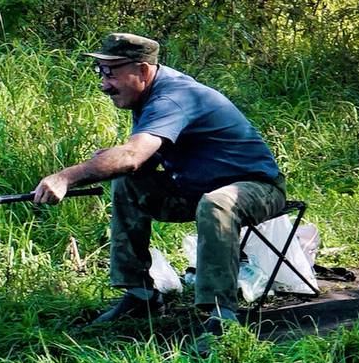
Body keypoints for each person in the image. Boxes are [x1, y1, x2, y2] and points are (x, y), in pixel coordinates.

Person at [32, 33, 288, 334]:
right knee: (128, 182)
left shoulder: (172, 97)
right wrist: (114, 160)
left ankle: (222, 316)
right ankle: (140, 294)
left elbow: (132, 156)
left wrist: (66, 177)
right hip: (197, 189)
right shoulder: (147, 95)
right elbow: (141, 160)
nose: (104, 84)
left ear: (142, 70)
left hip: (259, 188)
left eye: (111, 73)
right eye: (100, 72)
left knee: (217, 203)